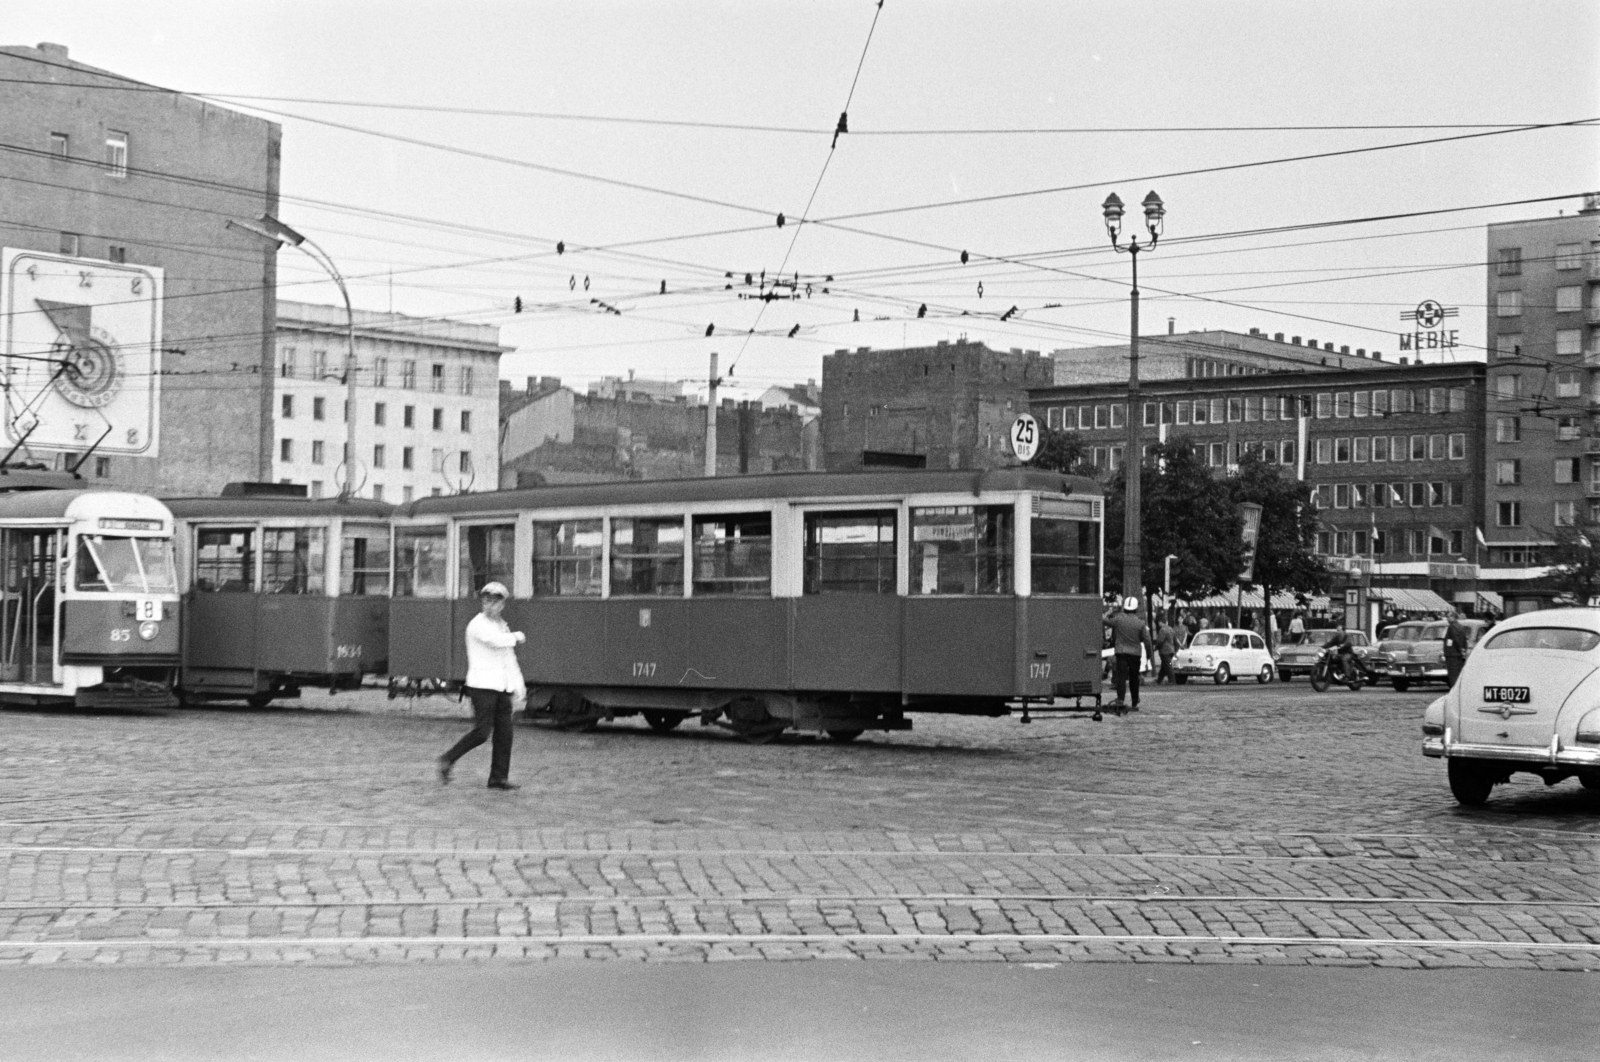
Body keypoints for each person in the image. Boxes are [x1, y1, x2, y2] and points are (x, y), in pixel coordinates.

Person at [439, 581, 527, 790]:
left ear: (502, 605)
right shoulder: (477, 625)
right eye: (486, 601)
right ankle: (447, 759)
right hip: (482, 687)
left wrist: (519, 685)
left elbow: (509, 658)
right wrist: (517, 636)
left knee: (505, 735)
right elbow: (495, 641)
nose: (490, 606)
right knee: (482, 732)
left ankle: (498, 778)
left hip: (502, 687)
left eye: (494, 602)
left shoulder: (502, 626)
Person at [1103, 596, 1155, 710]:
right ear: (1135, 609)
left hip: (1121, 652)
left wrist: (1108, 613)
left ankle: (1120, 699)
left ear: (1124, 608)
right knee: (1134, 677)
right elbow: (1147, 640)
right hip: (1135, 653)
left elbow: (1105, 621)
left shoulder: (1118, 619)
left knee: (1121, 676)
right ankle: (1135, 700)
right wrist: (1149, 654)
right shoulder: (1140, 623)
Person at [1443, 609, 1470, 690]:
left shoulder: (1452, 627)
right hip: (1458, 654)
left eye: (1448, 617)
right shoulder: (1460, 626)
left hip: (1452, 653)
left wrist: (1459, 649)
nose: (1447, 618)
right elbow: (1464, 640)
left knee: (1453, 674)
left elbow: (1455, 639)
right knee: (1458, 673)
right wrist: (1463, 650)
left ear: (1453, 617)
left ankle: (1455, 689)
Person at [1154, 617, 1177, 685]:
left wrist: (1156, 647)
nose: (1158, 624)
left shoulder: (1162, 630)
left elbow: (1160, 641)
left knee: (1168, 665)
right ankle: (1159, 680)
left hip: (1165, 651)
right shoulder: (1171, 629)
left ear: (1161, 622)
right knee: (1164, 666)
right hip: (1171, 650)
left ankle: (1172, 680)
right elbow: (1175, 639)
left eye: (1159, 623)